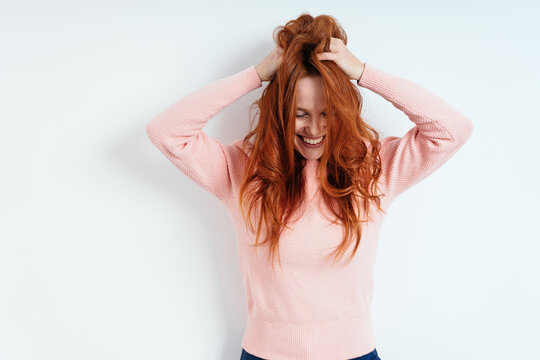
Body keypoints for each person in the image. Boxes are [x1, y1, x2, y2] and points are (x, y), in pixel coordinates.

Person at [146, 13, 473, 360]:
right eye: (300, 113)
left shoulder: (374, 169)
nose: (314, 128)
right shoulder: (243, 170)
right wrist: (256, 75)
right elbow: (166, 131)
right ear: (281, 111)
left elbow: (452, 128)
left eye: (327, 112)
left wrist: (363, 72)